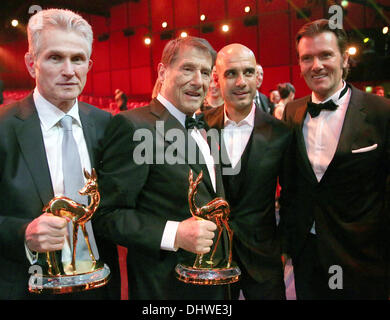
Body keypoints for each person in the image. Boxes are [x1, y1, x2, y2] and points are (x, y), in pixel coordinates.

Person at [0, 8, 120, 300]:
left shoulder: (107, 125)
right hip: (23, 288)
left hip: (99, 288)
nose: (69, 70)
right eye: (55, 57)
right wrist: (23, 234)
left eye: (78, 59)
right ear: (31, 64)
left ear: (89, 64)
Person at [94, 36, 227, 300]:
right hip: (166, 287)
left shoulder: (205, 127)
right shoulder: (133, 126)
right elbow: (106, 215)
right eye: (188, 68)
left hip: (215, 280)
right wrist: (175, 233)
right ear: (163, 71)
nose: (198, 81)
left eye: (205, 72)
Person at [282, 19, 390, 300]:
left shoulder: (381, 111)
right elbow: (292, 183)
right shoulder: (292, 113)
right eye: (307, 58)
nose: (316, 65)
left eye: (325, 55)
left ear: (344, 58)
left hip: (362, 258)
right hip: (307, 256)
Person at [204, 44, 292, 300]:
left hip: (263, 257)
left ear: (258, 77)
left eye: (248, 72)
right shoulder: (199, 128)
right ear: (216, 78)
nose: (241, 82)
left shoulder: (281, 133)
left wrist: (284, 247)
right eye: (231, 73)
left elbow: (292, 195)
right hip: (213, 256)